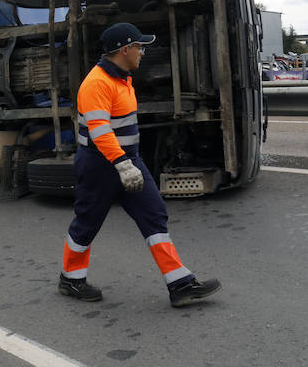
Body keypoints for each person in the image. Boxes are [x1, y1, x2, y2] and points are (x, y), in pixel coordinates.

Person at [58, 23, 222, 308]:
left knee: (153, 213)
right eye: (140, 47)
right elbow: (99, 131)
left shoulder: (122, 79)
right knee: (87, 222)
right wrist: (122, 164)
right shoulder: (97, 83)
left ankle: (180, 284)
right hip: (100, 164)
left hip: (127, 160)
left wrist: (128, 162)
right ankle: (70, 279)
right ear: (125, 49)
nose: (143, 52)